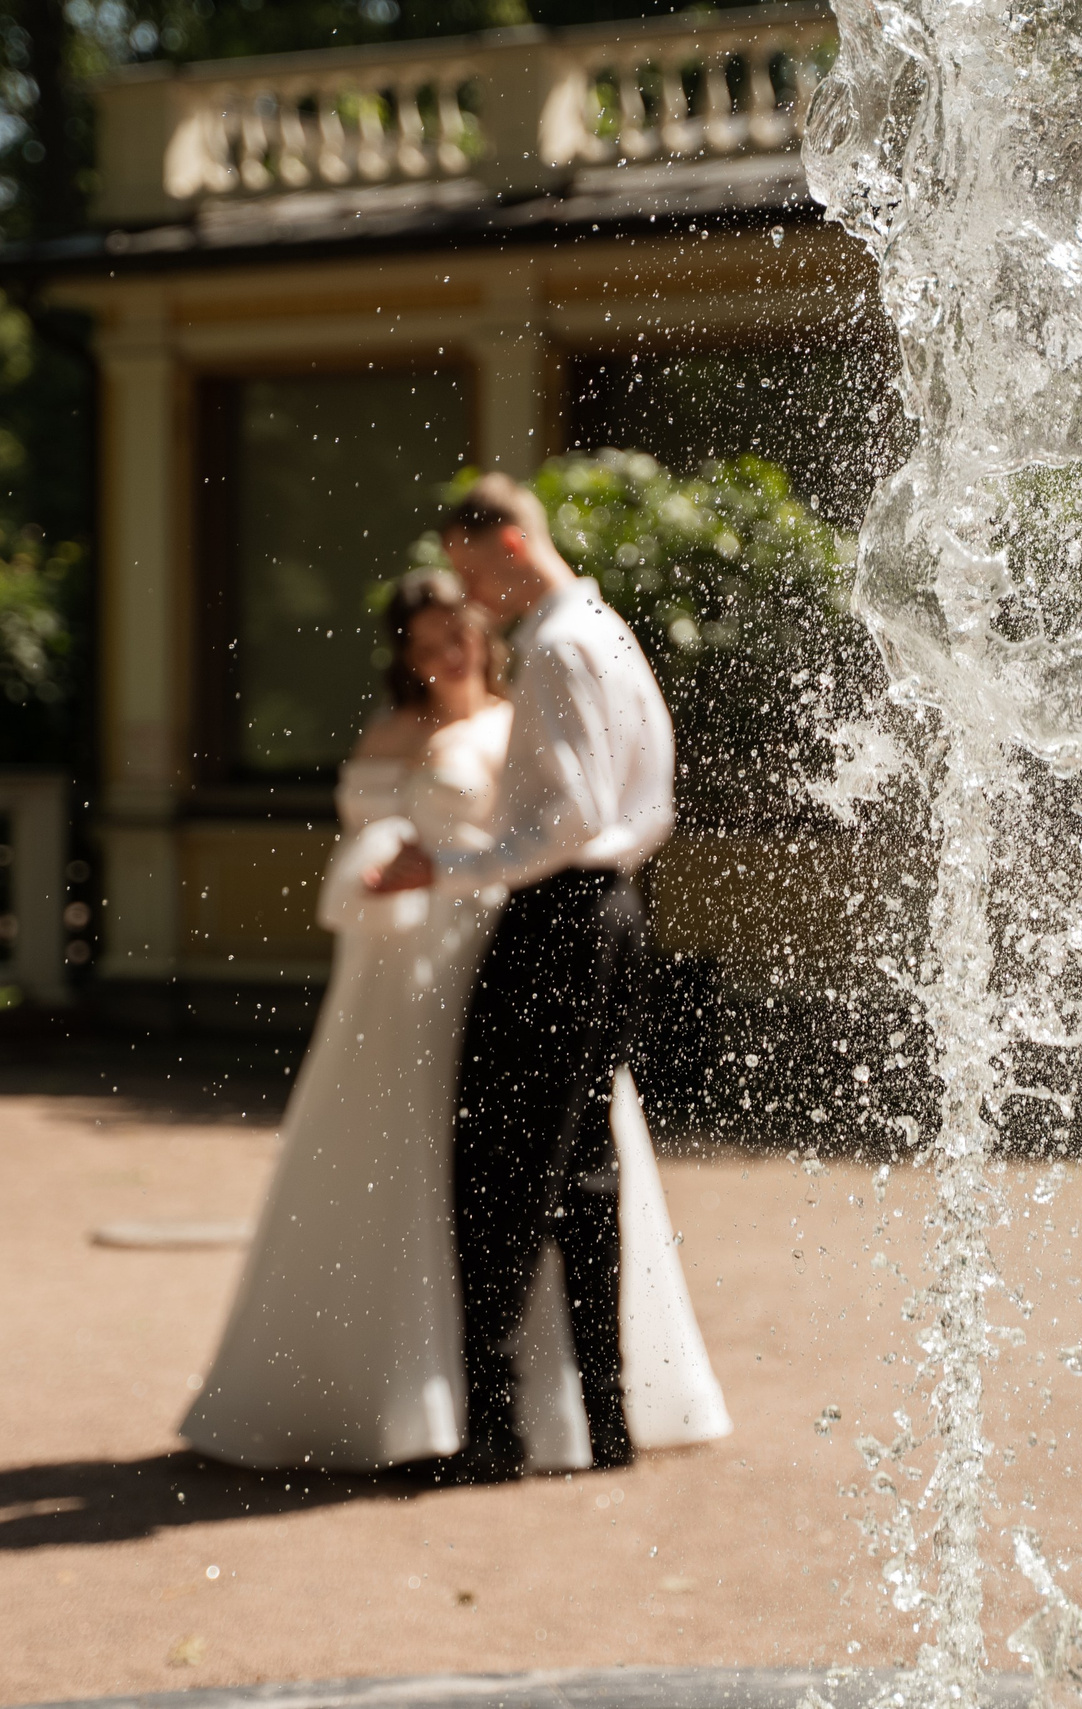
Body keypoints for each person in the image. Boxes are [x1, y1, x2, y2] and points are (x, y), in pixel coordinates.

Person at [182, 567, 725, 1474]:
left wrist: (440, 867)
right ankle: (376, 1391)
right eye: (425, 640)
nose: (446, 652)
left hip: (484, 959)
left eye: (456, 632)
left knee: (528, 1172)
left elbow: (557, 829)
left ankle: (544, 1409)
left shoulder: (529, 711)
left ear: (480, 631)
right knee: (390, 1161)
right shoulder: (392, 728)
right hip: (390, 976)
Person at [367, 473, 685, 1484]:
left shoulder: (556, 642)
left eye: (472, 570)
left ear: (506, 540)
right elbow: (647, 794)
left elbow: (568, 821)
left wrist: (446, 866)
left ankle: (495, 1428)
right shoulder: (609, 626)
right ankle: (606, 1417)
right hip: (614, 914)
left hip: (557, 919)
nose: (476, 597)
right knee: (584, 1165)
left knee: (496, 1171)